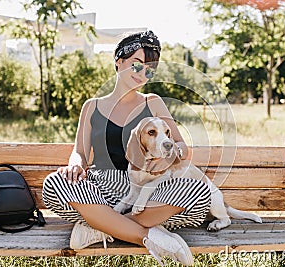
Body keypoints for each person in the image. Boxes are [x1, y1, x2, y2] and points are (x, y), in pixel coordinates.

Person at [42, 30, 211, 266]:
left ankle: (102, 227)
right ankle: (149, 235)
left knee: (198, 192)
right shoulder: (92, 107)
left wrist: (169, 157)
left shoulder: (152, 102)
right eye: (136, 65)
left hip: (147, 190)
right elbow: (79, 152)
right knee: (54, 183)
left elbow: (181, 146)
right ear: (119, 61)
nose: (143, 74)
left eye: (149, 70)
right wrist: (76, 166)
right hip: (99, 191)